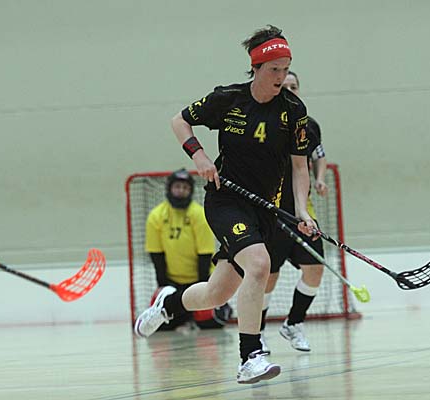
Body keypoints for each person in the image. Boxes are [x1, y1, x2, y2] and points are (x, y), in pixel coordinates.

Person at [134, 25, 316, 384]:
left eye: (285, 69)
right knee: (259, 265)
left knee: (217, 294)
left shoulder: (294, 110)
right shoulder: (229, 99)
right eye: (273, 69)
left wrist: (301, 211)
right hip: (226, 201)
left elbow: (299, 166)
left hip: (264, 210)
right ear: (256, 68)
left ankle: (168, 304)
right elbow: (180, 121)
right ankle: (251, 356)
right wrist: (199, 156)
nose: (280, 77)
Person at [259, 71, 328, 353]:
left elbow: (319, 156)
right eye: (284, 85)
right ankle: (257, 332)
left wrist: (320, 178)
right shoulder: (263, 122)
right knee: (268, 276)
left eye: (294, 86)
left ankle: (293, 323)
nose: (289, 89)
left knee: (315, 269)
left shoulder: (309, 125)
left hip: (302, 214)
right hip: (270, 215)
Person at [144, 168, 230, 331]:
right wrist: (162, 286)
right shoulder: (156, 216)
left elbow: (205, 255)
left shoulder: (199, 214)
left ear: (190, 191)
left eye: (185, 188)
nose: (181, 191)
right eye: (177, 187)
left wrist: (202, 290)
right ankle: (186, 316)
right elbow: (156, 254)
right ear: (169, 188)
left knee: (209, 322)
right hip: (173, 282)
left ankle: (204, 312)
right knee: (159, 326)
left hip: (200, 278)